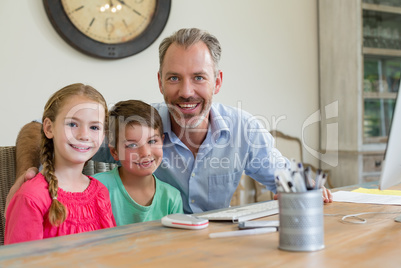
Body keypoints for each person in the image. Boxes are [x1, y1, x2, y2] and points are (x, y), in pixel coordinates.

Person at [7, 28, 332, 215]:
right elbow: (36, 128)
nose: (186, 92)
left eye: (199, 78)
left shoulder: (244, 128)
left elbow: (284, 174)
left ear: (217, 82)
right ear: (160, 81)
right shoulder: (134, 126)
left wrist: (308, 187)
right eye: (174, 78)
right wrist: (27, 171)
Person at [4, 83, 116, 244]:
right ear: (49, 128)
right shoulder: (31, 196)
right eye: (72, 124)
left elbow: (112, 249)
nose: (84, 135)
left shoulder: (100, 192)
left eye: (94, 127)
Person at [93, 100, 183, 226]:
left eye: (152, 141)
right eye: (132, 145)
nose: (145, 153)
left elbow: (177, 242)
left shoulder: (171, 198)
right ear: (114, 152)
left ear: (162, 141)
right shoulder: (95, 188)